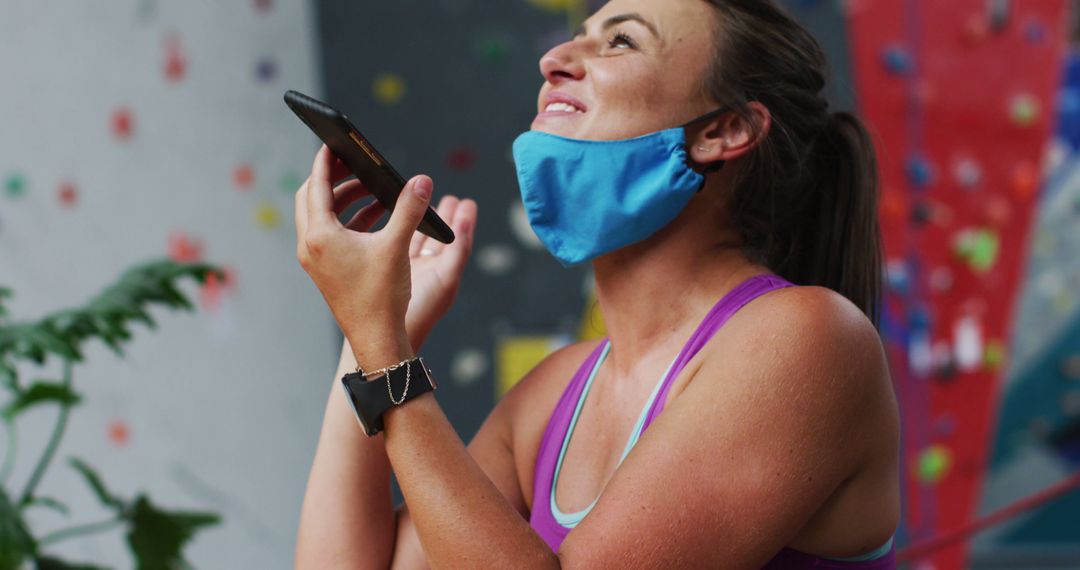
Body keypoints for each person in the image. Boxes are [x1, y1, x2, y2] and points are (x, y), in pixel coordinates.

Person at [293, 0, 900, 567]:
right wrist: (371, 330)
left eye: (621, 41)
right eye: (575, 37)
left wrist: (384, 350)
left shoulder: (808, 340)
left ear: (722, 132)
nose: (553, 61)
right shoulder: (552, 395)